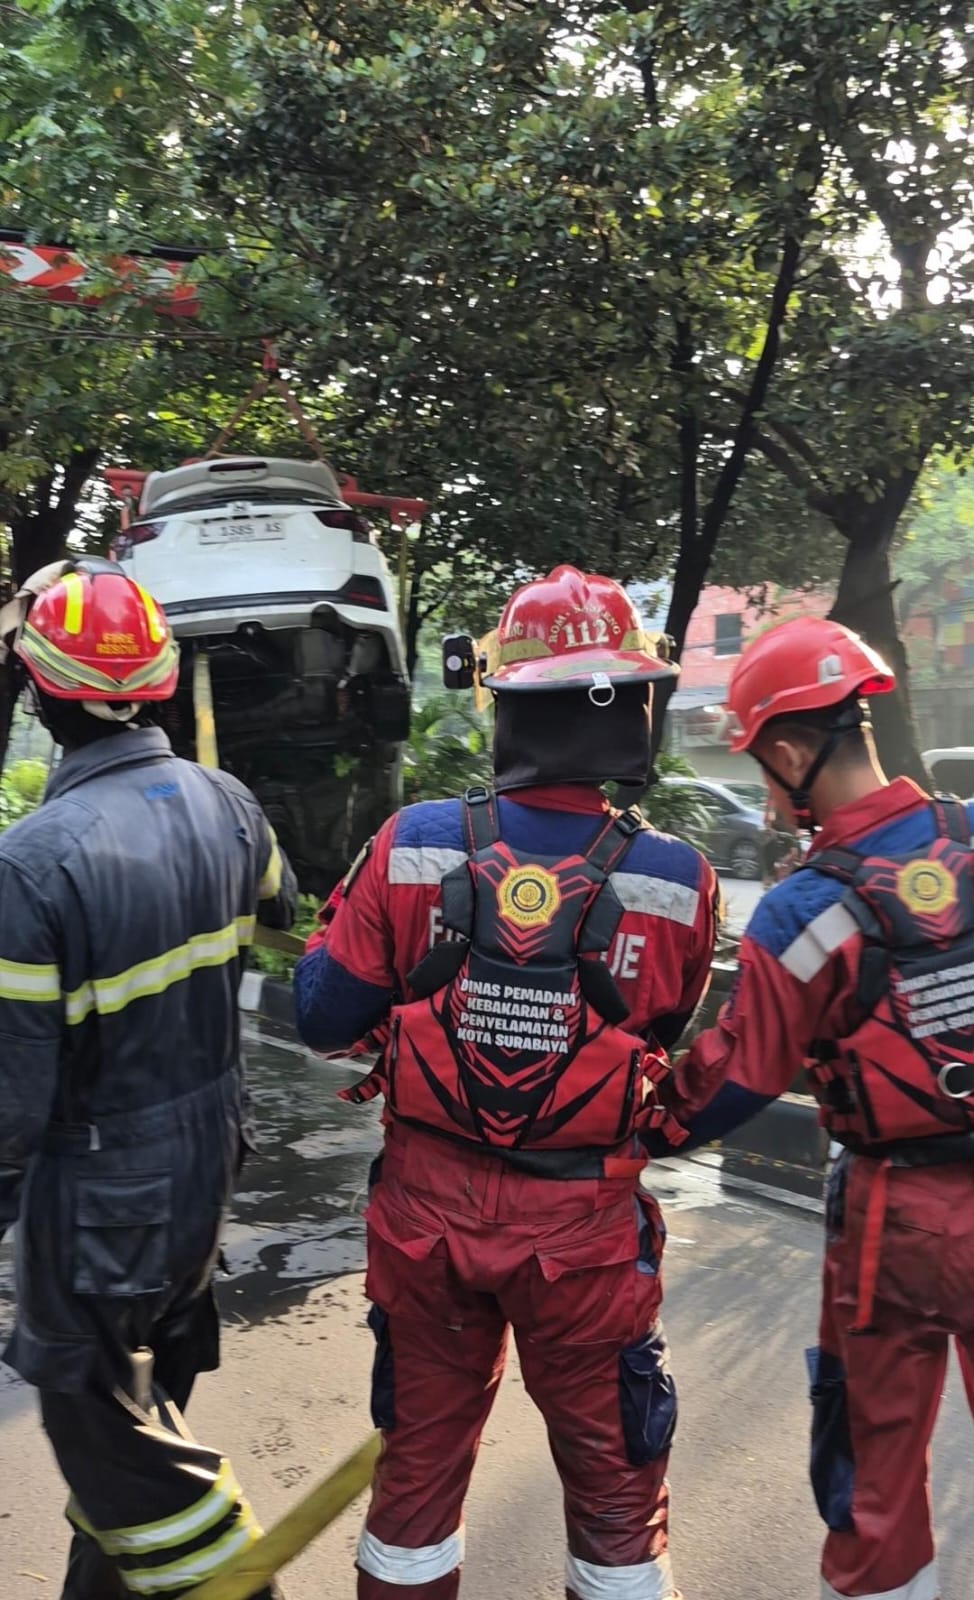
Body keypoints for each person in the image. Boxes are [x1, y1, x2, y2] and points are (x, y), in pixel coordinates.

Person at [295, 565, 720, 1600]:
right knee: (617, 1499)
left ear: (505, 702)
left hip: (424, 1222)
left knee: (413, 1492)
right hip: (581, 1234)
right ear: (630, 707)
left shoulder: (411, 843)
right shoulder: (676, 880)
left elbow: (320, 1016)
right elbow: (661, 1033)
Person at [652, 616, 974, 1600]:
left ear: (791, 753)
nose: (760, 788)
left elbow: (740, 1076)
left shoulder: (803, 911)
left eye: (758, 765)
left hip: (893, 1219)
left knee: (871, 1471)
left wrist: (623, 1126)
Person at [0, 558, 297, 1600]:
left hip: (96, 1210)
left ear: (41, 693)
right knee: (133, 1437)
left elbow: (10, 1105)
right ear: (160, 685)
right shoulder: (231, 806)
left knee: (116, 1447)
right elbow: (280, 913)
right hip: (201, 1183)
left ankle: (242, 1583)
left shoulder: (32, 864)